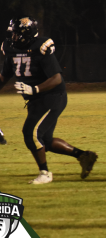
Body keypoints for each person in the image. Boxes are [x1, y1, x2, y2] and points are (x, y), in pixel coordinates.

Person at [0, 16, 98, 184]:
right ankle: (83, 156)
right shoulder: (11, 49)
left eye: (15, 34)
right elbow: (3, 77)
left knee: (31, 134)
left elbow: (57, 78)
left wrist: (34, 88)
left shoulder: (40, 48)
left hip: (52, 96)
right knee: (45, 140)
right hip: (35, 100)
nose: (12, 37)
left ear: (26, 34)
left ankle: (44, 173)